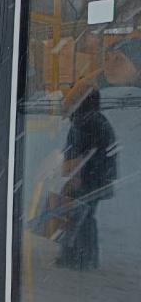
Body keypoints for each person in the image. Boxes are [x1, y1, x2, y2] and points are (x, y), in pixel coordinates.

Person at [56, 90, 116, 270]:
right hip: (96, 178)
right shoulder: (98, 119)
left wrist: (74, 176)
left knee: (78, 217)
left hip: (85, 178)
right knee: (85, 217)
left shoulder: (84, 121)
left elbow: (77, 154)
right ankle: (85, 257)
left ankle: (76, 258)